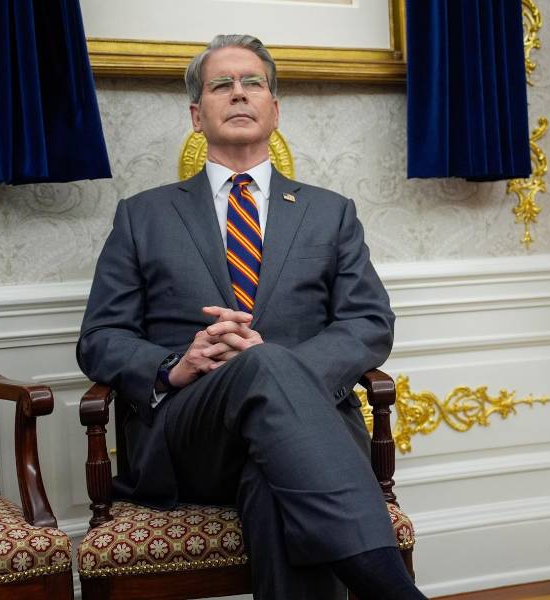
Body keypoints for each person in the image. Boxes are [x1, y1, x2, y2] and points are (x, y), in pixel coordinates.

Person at [77, 34, 426, 600]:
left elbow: (368, 322)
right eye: (221, 85)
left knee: (276, 481)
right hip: (191, 434)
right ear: (198, 114)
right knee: (263, 370)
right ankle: (393, 590)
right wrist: (175, 365)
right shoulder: (142, 216)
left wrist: (280, 369)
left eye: (252, 83)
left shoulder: (330, 213)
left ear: (274, 109)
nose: (238, 94)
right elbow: (98, 338)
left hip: (302, 436)